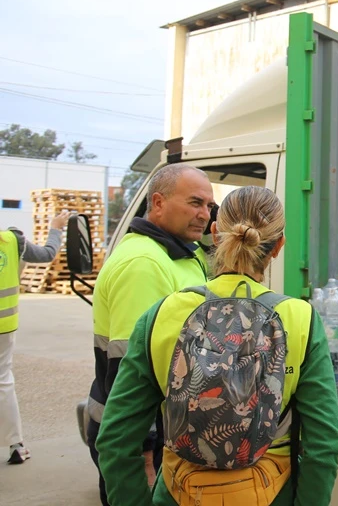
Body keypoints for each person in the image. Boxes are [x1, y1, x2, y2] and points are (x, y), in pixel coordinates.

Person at [96, 186, 338, 505]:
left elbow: (115, 439)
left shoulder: (162, 314)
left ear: (215, 233)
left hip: (178, 493)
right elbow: (322, 444)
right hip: (270, 494)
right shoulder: (300, 318)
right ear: (279, 245)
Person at [87, 163, 215, 504]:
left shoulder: (182, 253)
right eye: (194, 202)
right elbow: (130, 369)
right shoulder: (144, 263)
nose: (204, 214)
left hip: (166, 431)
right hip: (139, 438)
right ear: (158, 203)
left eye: (208, 206)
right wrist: (143, 453)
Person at [1, 211, 70, 464]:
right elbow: (47, 254)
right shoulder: (10, 241)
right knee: (3, 382)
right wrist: (56, 228)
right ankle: (16, 446)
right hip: (3, 326)